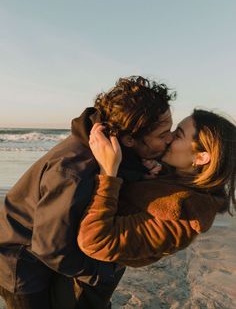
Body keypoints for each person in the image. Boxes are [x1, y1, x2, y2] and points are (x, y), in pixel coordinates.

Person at [0, 76, 176, 309]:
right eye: (163, 134)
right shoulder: (72, 172)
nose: (171, 139)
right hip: (21, 261)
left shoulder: (115, 146)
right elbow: (50, 248)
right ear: (130, 139)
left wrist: (149, 170)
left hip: (59, 246)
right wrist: (103, 270)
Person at [77, 109, 236, 268]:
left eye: (178, 135)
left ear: (200, 157)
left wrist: (108, 173)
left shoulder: (185, 216)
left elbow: (96, 242)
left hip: (83, 278)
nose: (168, 137)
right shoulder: (165, 176)